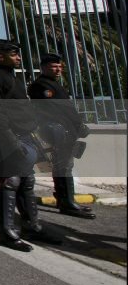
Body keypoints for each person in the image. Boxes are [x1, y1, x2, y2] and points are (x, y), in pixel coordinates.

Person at [0, 39, 62, 252]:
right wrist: (11, 142)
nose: (18, 58)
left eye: (18, 54)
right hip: (9, 138)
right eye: (14, 54)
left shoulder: (12, 77)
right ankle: (7, 232)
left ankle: (31, 225)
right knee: (10, 182)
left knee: (26, 182)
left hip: (24, 135)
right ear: (1, 56)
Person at [28, 52, 95, 219]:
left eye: (59, 66)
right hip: (57, 131)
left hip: (65, 130)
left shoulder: (53, 84)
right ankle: (67, 202)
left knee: (65, 166)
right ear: (44, 68)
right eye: (53, 66)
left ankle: (66, 199)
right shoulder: (41, 86)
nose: (58, 69)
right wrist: (78, 124)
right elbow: (60, 110)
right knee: (63, 166)